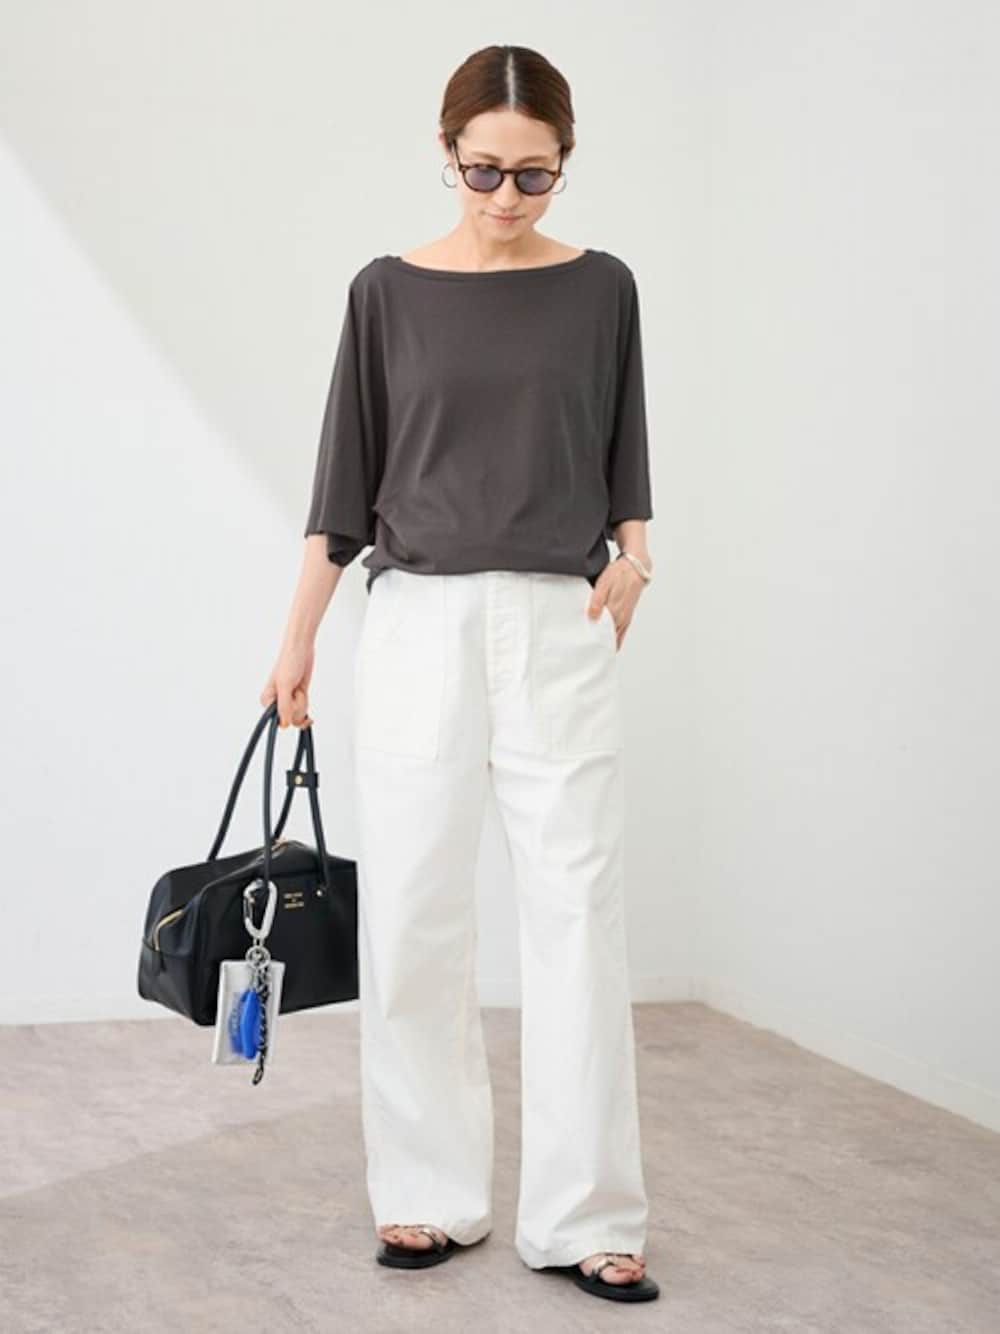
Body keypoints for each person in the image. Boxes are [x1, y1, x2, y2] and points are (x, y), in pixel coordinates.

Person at [261, 43, 659, 1305]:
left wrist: (638, 554)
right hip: (418, 623)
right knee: (415, 912)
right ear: (445, 154)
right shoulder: (385, 291)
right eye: (482, 170)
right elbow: (342, 487)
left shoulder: (601, 288)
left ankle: (587, 1214)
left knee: (576, 915)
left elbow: (624, 447)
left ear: (565, 162)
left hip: (557, 621)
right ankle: (425, 1192)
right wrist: (297, 639)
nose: (504, 196)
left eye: (533, 175)